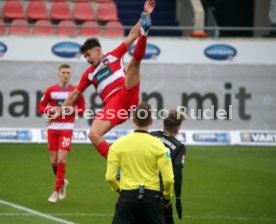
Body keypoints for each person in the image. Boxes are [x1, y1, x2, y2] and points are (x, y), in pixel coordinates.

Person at [49, 0, 156, 158]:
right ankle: (119, 163)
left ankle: (145, 33)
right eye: (84, 56)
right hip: (114, 107)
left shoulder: (113, 56)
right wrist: (60, 109)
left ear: (98, 51)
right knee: (93, 134)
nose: (87, 59)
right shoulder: (89, 74)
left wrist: (145, 14)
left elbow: (133, 35)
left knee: (134, 64)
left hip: (127, 93)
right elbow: (74, 95)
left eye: (88, 54)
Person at [106, 102, 174, 224]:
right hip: (152, 198)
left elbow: (110, 177)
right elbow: (169, 179)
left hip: (127, 197)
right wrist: (167, 197)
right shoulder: (160, 146)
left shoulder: (117, 145)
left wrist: (120, 190)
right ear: (151, 121)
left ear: (133, 119)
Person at [38, 64, 86, 203]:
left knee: (61, 160)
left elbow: (83, 109)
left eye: (68, 73)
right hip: (53, 128)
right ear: (59, 74)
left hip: (67, 128)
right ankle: (63, 182)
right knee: (53, 163)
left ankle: (55, 191)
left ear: (70, 75)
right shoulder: (51, 90)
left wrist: (73, 111)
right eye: (63, 72)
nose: (65, 75)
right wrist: (51, 110)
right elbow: (41, 107)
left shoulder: (75, 92)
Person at [151, 109, 186, 224]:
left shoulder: (150, 136)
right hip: (161, 195)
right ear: (177, 129)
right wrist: (178, 199)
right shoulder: (179, 147)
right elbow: (177, 174)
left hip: (139, 189)